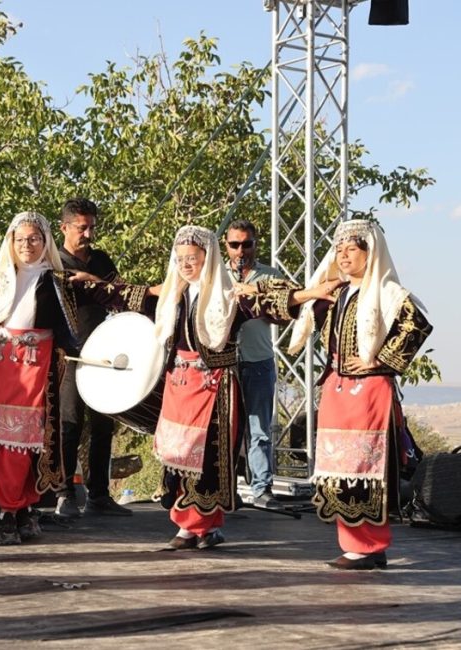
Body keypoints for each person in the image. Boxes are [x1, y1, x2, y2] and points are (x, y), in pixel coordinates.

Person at [83, 224, 295, 551]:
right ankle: (201, 527)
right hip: (179, 385)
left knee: (205, 458)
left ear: (207, 258)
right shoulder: (172, 296)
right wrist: (94, 284)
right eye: (180, 258)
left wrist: (305, 294)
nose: (185, 264)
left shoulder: (227, 297)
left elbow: (276, 303)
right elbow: (125, 294)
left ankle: (193, 525)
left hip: (214, 389)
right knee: (178, 456)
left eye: (192, 258)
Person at [285, 219, 431, 570]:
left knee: (366, 466)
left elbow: (417, 324)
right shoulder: (335, 292)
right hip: (337, 388)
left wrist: (379, 361)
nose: (344, 255)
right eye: (339, 249)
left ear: (370, 253)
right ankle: (354, 543)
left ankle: (371, 545)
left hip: (369, 392)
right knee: (338, 465)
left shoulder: (386, 291)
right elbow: (298, 309)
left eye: (352, 249)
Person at [0, 211, 109, 545]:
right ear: (11, 243)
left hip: (36, 366)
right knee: (3, 440)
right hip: (0, 364)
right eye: (20, 240)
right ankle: (7, 511)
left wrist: (97, 282)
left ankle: (24, 506)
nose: (27, 245)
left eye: (33, 239)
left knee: (32, 440)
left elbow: (104, 296)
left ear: (46, 242)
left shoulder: (59, 279)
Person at [53, 198, 130, 518]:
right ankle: (63, 492)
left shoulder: (100, 259)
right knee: (69, 424)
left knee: (102, 426)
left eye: (91, 227)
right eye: (81, 227)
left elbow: (122, 294)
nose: (87, 233)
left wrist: (97, 282)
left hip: (102, 354)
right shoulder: (52, 260)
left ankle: (98, 494)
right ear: (65, 227)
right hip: (68, 356)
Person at [224, 220, 284, 508]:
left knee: (258, 429)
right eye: (234, 244)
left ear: (255, 244)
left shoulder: (270, 276)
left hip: (258, 360)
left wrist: (255, 295)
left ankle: (261, 488)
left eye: (246, 244)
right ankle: (226, 488)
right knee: (226, 429)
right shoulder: (216, 276)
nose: (240, 250)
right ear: (226, 245)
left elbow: (284, 311)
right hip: (224, 362)